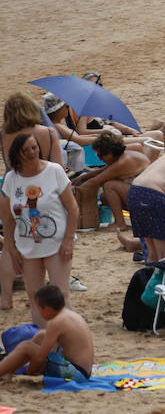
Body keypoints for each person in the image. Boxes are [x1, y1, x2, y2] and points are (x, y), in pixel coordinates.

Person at [1, 133, 77, 323]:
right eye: (25, 150)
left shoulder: (54, 171)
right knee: (35, 295)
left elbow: (73, 208)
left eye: (34, 148)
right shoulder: (11, 178)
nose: (31, 153)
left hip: (57, 243)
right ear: (17, 154)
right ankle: (44, 337)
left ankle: (68, 336)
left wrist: (68, 240)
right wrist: (11, 247)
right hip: (28, 245)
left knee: (60, 293)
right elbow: (8, 219)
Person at [0, 284, 93, 386]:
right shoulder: (68, 314)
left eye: (39, 309)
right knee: (41, 336)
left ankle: (3, 370)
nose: (39, 313)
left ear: (47, 309)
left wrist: (29, 372)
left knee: (26, 347)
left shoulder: (56, 322)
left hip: (77, 374)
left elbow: (40, 357)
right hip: (84, 371)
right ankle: (8, 370)